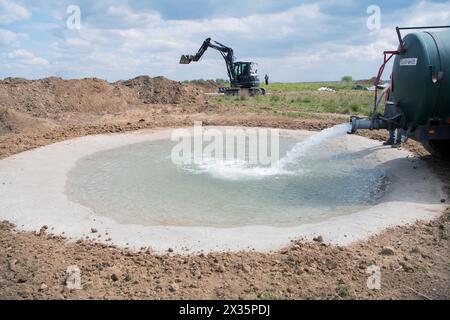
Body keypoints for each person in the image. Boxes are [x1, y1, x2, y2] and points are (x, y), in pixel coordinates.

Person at [382, 82, 402, 148]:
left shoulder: (401, 87)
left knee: (399, 124)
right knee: (390, 123)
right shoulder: (389, 86)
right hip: (390, 107)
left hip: (398, 108)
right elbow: (386, 97)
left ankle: (399, 141)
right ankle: (391, 139)